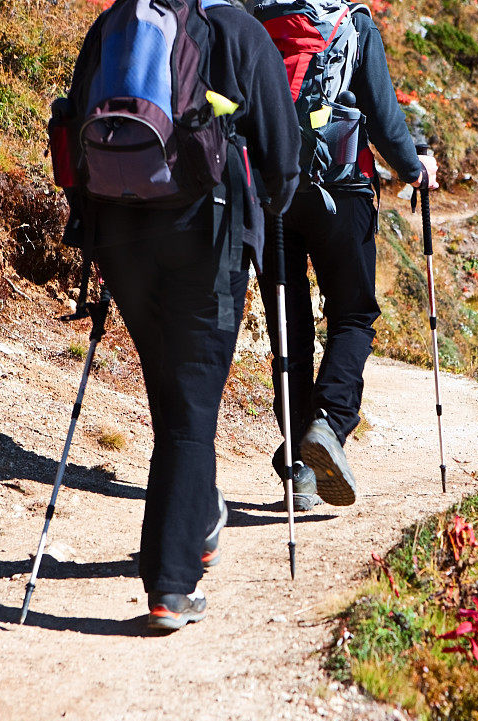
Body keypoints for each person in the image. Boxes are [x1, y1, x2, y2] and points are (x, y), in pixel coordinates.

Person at [61, 0, 300, 630]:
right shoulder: (237, 30)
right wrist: (270, 201)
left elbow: (72, 123)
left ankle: (192, 526)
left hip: (117, 232)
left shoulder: (113, 27)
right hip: (205, 235)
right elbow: (281, 154)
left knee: (172, 394)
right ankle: (171, 582)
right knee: (192, 404)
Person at [254, 2, 439, 510]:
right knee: (353, 316)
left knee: (289, 331)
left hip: (271, 193)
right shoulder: (353, 22)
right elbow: (381, 113)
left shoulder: (254, 19)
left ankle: (298, 469)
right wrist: (413, 167)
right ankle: (329, 425)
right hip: (342, 188)